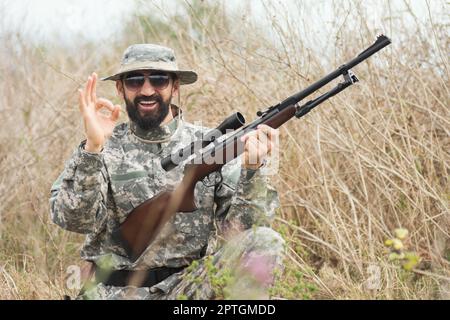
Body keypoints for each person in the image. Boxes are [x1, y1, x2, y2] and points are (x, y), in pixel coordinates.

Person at [49, 44, 285, 300]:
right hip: (112, 292)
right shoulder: (101, 146)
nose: (147, 90)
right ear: (120, 88)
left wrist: (252, 169)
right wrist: (93, 147)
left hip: (189, 289)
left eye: (159, 79)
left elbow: (242, 231)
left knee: (265, 241)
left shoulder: (212, 144)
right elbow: (73, 220)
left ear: (175, 86)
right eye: (135, 80)